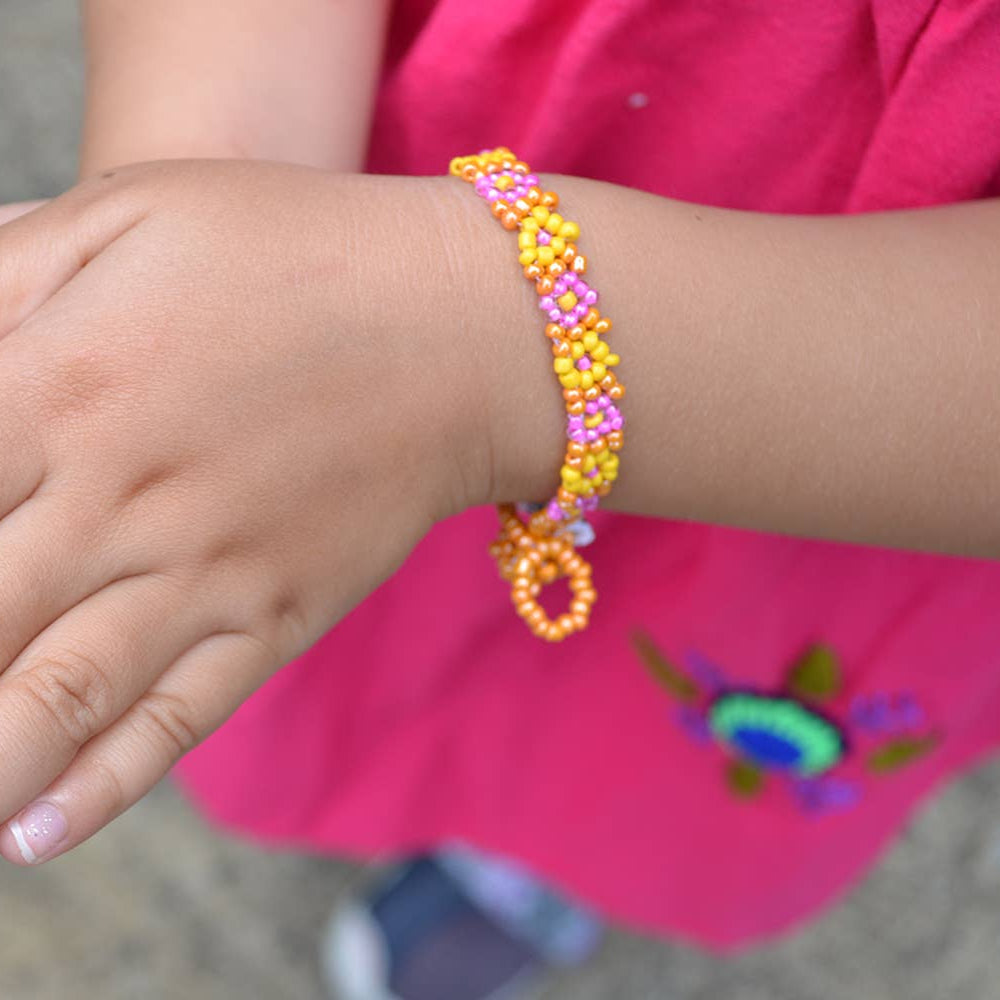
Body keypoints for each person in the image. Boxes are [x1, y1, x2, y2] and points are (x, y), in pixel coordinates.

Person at [0, 1, 999, 997]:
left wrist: (485, 352)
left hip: (863, 434)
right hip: (362, 219)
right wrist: (207, 240)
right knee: (319, 599)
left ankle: (534, 866)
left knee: (641, 751)